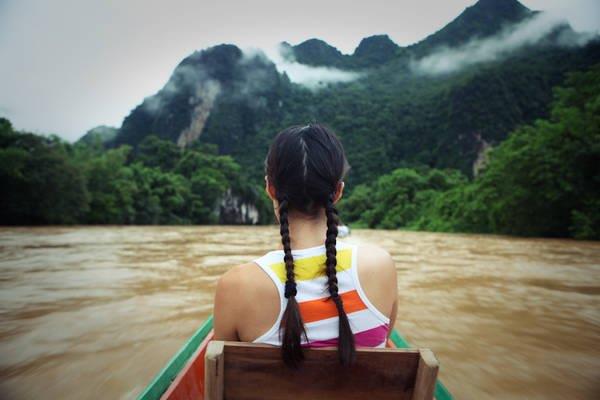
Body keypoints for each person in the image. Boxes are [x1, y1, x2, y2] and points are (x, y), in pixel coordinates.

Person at [213, 123, 398, 367]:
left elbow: (222, 376)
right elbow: (385, 341)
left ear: (270, 189)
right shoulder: (381, 265)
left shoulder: (236, 286)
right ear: (338, 192)